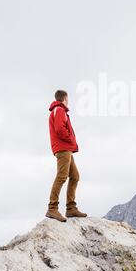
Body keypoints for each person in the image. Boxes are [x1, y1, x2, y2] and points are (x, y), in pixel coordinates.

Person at [46, 90, 87, 222]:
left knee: (75, 176)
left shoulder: (59, 110)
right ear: (65, 98)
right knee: (62, 176)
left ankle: (70, 208)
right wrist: (70, 139)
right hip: (63, 148)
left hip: (66, 148)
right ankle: (52, 208)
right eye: (68, 98)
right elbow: (59, 128)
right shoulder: (59, 110)